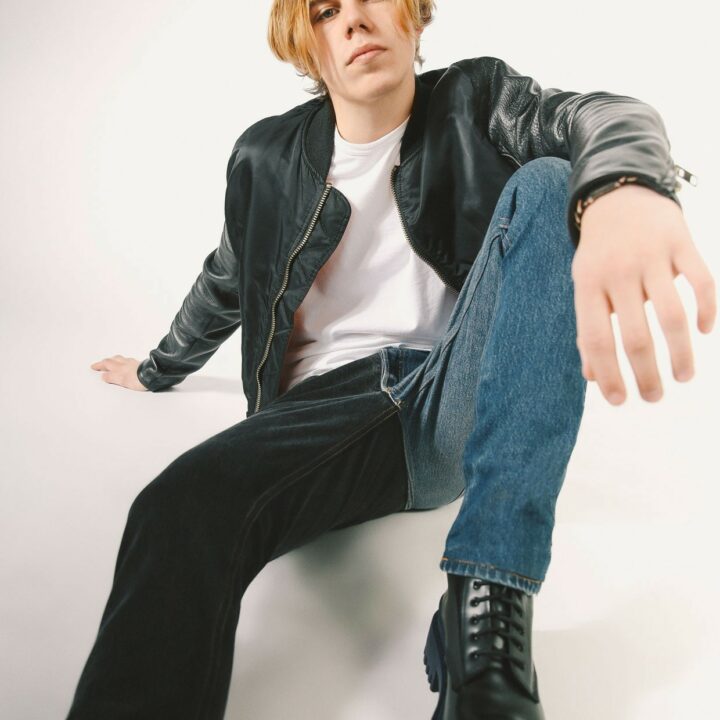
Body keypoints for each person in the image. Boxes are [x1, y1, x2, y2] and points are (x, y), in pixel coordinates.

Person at [76, 0, 715, 718]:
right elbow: (228, 277)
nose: (354, 20)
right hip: (319, 414)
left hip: (444, 399)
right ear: (306, 45)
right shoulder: (265, 156)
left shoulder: (478, 99)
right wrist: (158, 367)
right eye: (325, 10)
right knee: (175, 507)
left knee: (547, 180)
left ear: (414, 15)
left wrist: (624, 186)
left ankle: (486, 623)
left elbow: (598, 116)